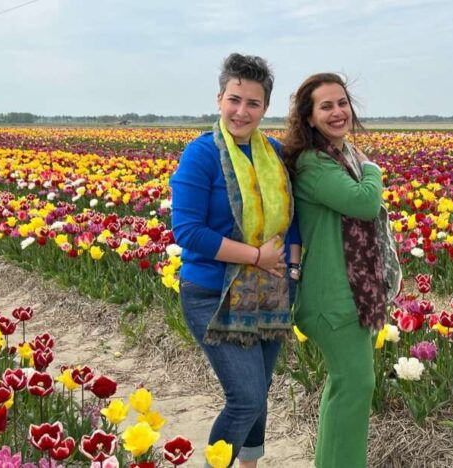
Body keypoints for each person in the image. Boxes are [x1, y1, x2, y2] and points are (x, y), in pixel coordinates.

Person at [169, 53, 301, 468]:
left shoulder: (274, 153)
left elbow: (291, 221)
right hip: (212, 291)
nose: (242, 111)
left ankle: (249, 463)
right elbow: (188, 232)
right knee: (244, 398)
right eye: (234, 99)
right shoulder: (201, 154)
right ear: (220, 98)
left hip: (273, 289)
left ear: (265, 108)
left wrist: (291, 268)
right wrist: (256, 257)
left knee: (258, 392)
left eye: (253, 103)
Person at [282, 73, 401, 468]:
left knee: (344, 385)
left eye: (342, 103)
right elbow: (364, 203)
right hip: (331, 296)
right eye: (326, 106)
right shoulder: (315, 164)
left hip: (351, 292)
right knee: (355, 385)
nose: (337, 112)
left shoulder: (340, 156)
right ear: (309, 118)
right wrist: (373, 169)